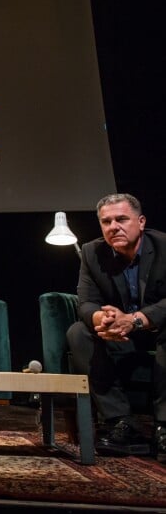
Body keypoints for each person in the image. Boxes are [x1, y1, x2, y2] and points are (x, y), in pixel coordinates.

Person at [66, 193, 166, 462]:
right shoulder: (91, 252)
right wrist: (102, 319)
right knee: (78, 332)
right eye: (106, 221)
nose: (113, 227)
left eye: (121, 219)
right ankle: (121, 422)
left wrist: (134, 320)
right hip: (119, 336)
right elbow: (85, 302)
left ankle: (164, 427)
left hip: (157, 330)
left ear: (141, 222)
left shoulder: (163, 246)